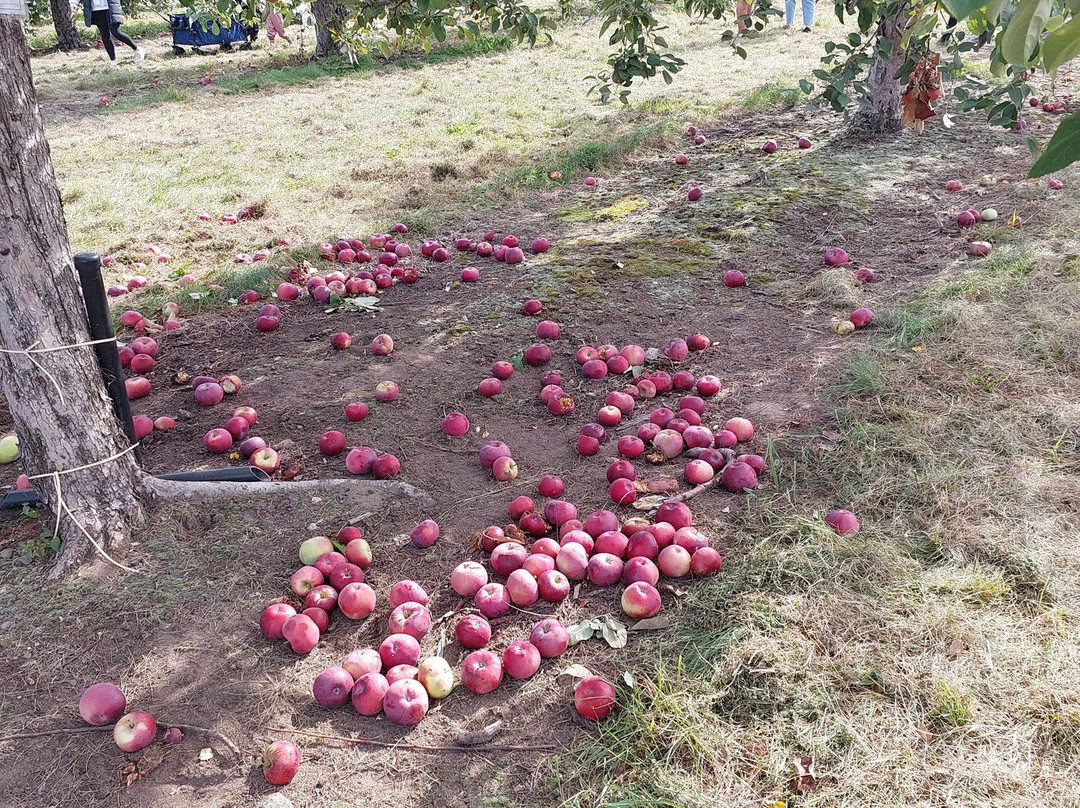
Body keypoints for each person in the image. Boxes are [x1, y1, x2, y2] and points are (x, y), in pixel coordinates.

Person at [83, 0, 144, 66]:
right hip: (95, 9)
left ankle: (137, 49)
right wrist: (73, 4)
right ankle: (113, 60)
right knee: (105, 35)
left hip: (110, 7)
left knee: (116, 32)